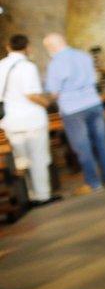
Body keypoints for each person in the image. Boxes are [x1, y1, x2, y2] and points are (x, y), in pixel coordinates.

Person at [43, 33, 105, 194]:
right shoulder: (83, 56)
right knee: (101, 143)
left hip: (73, 109)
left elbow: (53, 91)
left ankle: (93, 182)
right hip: (93, 103)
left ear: (52, 47)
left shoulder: (56, 63)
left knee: (83, 147)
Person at [0, 35, 60, 206]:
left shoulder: (1, 66)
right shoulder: (26, 67)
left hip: (10, 121)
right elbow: (31, 94)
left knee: (21, 160)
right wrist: (47, 103)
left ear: (8, 47)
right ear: (27, 47)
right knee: (38, 158)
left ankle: (27, 195)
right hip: (31, 120)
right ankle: (42, 195)